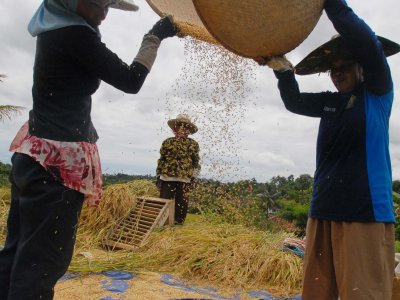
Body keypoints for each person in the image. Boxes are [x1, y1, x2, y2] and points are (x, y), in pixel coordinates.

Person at [0, 0, 178, 299]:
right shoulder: (76, 35)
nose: (103, 13)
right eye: (97, 4)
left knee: (17, 252)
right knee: (42, 264)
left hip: (32, 156)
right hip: (55, 168)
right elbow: (130, 80)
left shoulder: (52, 32)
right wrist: (155, 36)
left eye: (107, 6)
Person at [255, 0, 400, 299]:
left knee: (363, 293)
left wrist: (332, 4)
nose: (337, 73)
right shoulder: (330, 103)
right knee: (318, 292)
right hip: (322, 208)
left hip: (364, 212)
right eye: (332, 69)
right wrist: (282, 69)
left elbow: (365, 41)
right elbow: (293, 102)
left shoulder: (377, 94)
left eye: (344, 65)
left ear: (363, 66)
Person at [156, 114, 201, 225]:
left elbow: (196, 163)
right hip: (167, 178)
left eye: (184, 126)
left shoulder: (193, 144)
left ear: (188, 129)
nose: (181, 128)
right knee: (164, 202)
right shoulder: (168, 142)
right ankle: (163, 225)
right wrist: (158, 177)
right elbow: (162, 160)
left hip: (185, 179)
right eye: (179, 125)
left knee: (182, 203)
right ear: (174, 127)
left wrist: (194, 179)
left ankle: (178, 225)